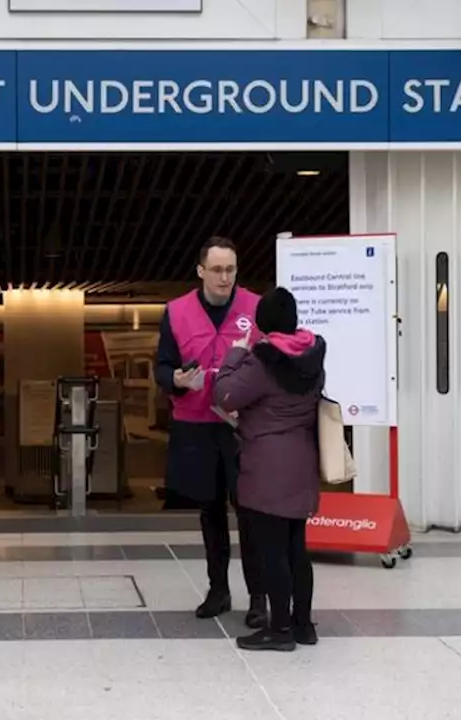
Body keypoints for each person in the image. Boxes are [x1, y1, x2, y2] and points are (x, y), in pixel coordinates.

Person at [153, 236, 267, 623]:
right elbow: (162, 367)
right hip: (197, 426)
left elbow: (272, 361)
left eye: (230, 270)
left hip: (241, 427)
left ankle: (258, 598)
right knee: (210, 511)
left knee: (250, 511)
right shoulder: (175, 312)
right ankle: (218, 590)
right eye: (216, 270)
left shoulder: (255, 308)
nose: (224, 278)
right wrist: (178, 380)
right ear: (200, 271)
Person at [214, 287, 325, 652]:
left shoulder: (263, 360)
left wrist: (236, 353)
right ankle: (302, 626)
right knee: (297, 548)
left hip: (267, 468)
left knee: (273, 551)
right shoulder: (312, 357)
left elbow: (225, 394)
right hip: (302, 464)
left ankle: (278, 631)